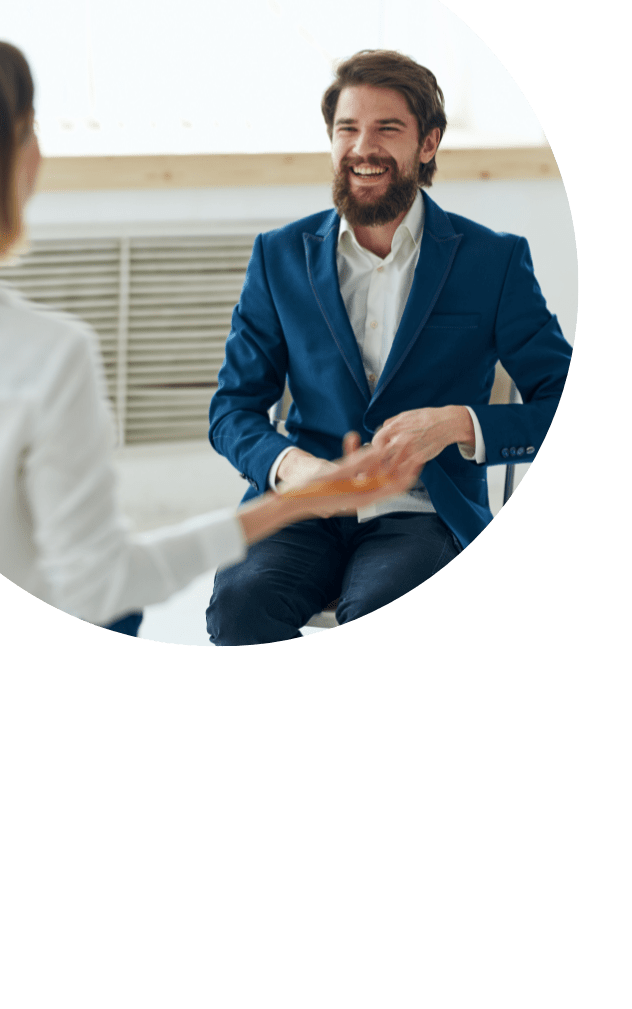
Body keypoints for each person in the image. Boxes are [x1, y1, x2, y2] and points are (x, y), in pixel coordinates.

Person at [0, 38, 420, 632]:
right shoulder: (47, 355)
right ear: (4, 167)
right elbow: (104, 584)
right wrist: (296, 498)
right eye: (31, 131)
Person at [206, 49, 574, 646]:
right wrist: (290, 466)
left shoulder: (493, 261)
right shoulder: (278, 256)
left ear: (427, 143)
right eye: (347, 129)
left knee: (384, 610)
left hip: (424, 510)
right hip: (304, 505)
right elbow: (232, 410)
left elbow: (562, 399)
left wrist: (460, 424)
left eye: (387, 129)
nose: (362, 147)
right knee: (239, 609)